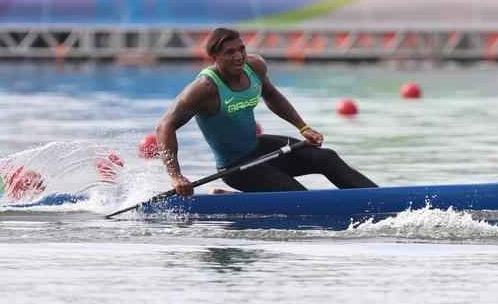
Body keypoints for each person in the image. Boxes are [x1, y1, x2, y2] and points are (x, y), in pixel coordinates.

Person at [155, 27, 377, 196]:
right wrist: (175, 176)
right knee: (300, 198)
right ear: (214, 58)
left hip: (258, 148)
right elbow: (165, 126)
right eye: (229, 52)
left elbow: (272, 96)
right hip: (235, 167)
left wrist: (303, 127)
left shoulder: (255, 67)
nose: (238, 56)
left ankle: (379, 198)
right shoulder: (203, 89)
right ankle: (236, 198)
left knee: (326, 158)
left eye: (241, 49)